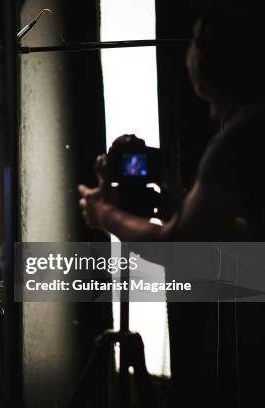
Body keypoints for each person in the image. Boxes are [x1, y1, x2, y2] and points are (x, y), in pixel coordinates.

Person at [78, 7, 265, 407]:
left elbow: (179, 247)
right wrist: (180, 201)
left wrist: (104, 215)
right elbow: (241, 236)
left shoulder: (240, 135)